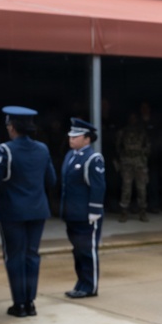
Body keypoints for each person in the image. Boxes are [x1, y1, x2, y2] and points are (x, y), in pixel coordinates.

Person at [0, 105, 56, 318]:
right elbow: (51, 180)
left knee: (15, 257)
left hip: (12, 212)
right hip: (37, 210)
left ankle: (19, 303)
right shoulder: (43, 149)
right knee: (31, 255)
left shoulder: (5, 150)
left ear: (12, 127)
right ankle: (30, 302)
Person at [59, 118, 105, 298]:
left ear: (87, 139)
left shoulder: (93, 158)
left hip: (86, 214)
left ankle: (90, 286)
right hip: (73, 214)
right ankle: (81, 283)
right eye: (71, 136)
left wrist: (94, 211)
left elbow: (98, 186)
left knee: (87, 251)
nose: (71, 139)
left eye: (76, 137)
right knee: (78, 251)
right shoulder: (71, 156)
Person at [115, 111, 150, 222]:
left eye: (134, 117)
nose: (133, 120)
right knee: (126, 188)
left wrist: (143, 156)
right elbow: (117, 147)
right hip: (127, 163)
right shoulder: (122, 131)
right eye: (131, 117)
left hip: (139, 162)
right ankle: (124, 211)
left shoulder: (142, 131)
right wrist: (122, 159)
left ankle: (142, 211)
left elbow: (148, 145)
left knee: (141, 188)